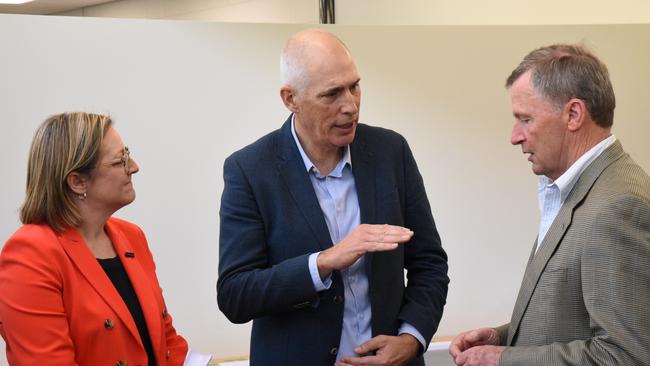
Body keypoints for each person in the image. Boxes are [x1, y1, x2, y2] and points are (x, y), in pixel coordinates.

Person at [217, 29, 449, 366]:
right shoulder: (250, 170)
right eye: (331, 94)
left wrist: (411, 339)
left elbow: (429, 263)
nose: (350, 106)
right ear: (290, 99)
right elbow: (235, 294)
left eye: (354, 86)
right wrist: (323, 262)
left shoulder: (390, 151)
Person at [449, 44, 650, 366]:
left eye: (525, 119)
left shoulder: (617, 206)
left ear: (573, 114)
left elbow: (626, 355)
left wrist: (503, 360)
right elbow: (573, 316)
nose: (515, 136)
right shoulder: (582, 190)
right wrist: (505, 336)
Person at [0, 112, 210, 365]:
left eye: (128, 154)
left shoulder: (131, 236)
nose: (133, 167)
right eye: (119, 161)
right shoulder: (30, 254)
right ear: (77, 181)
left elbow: (166, 341)